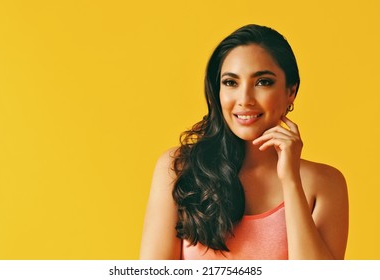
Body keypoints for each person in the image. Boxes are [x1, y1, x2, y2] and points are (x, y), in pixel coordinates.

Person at [139, 24, 349, 260]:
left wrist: (291, 181)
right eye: (231, 82)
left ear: (291, 91)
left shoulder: (325, 184)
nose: (245, 100)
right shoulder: (179, 168)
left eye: (263, 82)